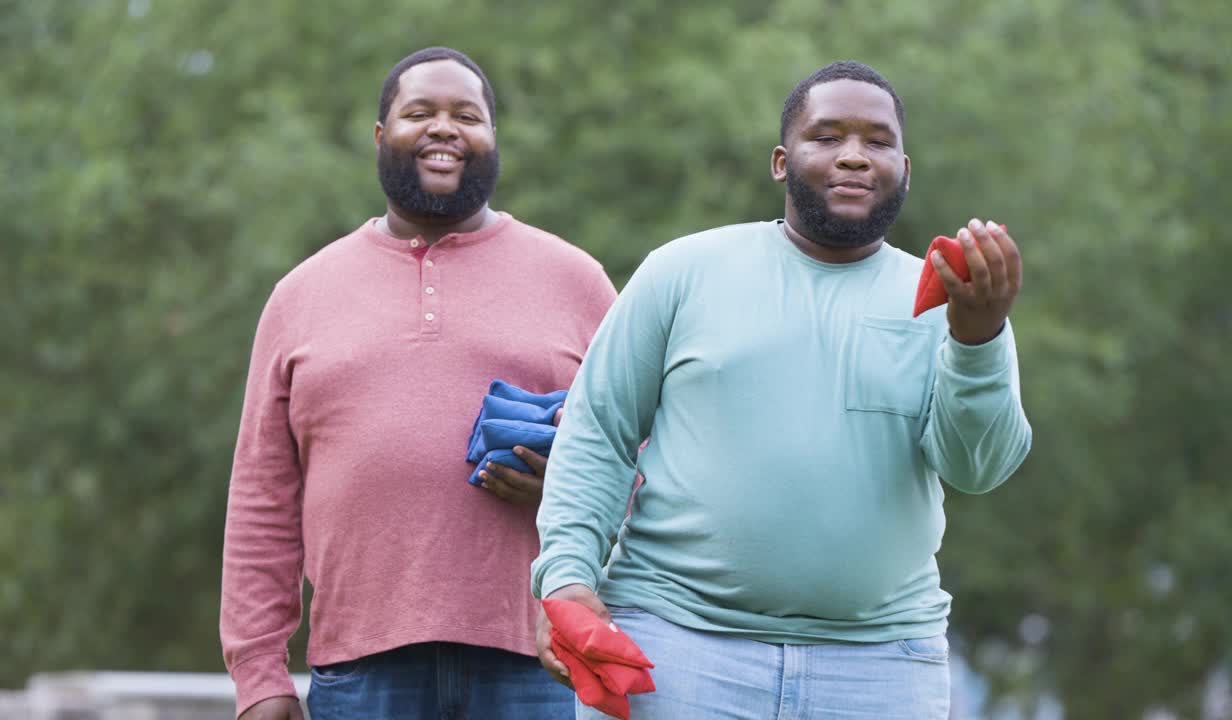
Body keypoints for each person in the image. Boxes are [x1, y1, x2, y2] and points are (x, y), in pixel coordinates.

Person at [531, 60, 1032, 719]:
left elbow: (978, 468)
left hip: (878, 666)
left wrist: (977, 338)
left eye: (878, 141)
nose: (854, 156)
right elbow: (598, 431)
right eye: (826, 136)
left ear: (905, 170)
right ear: (780, 160)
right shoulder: (682, 272)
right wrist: (566, 578)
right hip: (678, 648)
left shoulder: (953, 303)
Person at [220, 47, 616, 720]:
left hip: (541, 660)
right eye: (419, 113)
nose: (445, 129)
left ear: (493, 140)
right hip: (361, 669)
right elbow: (263, 501)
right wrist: (259, 678)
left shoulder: (576, 281)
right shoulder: (301, 294)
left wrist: (574, 484)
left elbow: (649, 459)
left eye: (468, 115)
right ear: (382, 137)